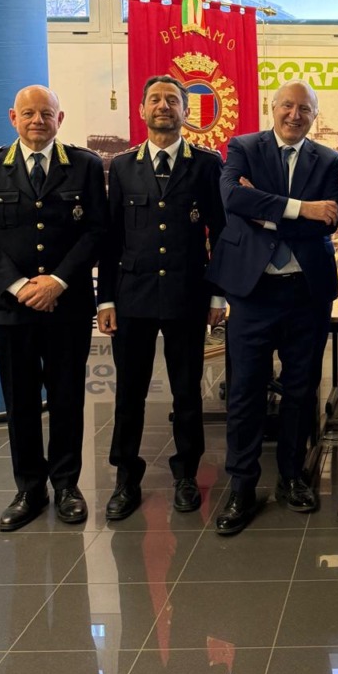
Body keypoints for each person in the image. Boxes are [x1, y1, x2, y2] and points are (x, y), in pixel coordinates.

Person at [207, 80, 338, 535]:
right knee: (245, 391)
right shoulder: (243, 147)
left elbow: (329, 220)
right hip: (253, 293)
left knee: (300, 391)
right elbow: (233, 199)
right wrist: (302, 208)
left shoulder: (330, 160)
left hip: (307, 292)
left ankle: (292, 476)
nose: (294, 115)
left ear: (314, 115)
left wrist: (263, 211)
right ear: (272, 107)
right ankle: (242, 486)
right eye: (287, 105)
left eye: (304, 109)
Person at [0, 85, 107, 530]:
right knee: (21, 400)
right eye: (28, 113)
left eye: (46, 114)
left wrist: (57, 281)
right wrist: (19, 286)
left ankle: (67, 485)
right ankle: (29, 488)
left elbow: (96, 231)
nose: (37, 121)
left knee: (67, 396)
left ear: (59, 119)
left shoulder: (85, 165)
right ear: (13, 117)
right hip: (9, 308)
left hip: (66, 305)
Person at [96, 76, 226, 520]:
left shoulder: (206, 164)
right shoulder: (123, 166)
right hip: (132, 296)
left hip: (187, 294)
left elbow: (219, 233)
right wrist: (105, 300)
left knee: (187, 391)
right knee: (129, 392)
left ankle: (186, 473)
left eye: (173, 100)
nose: (164, 106)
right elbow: (111, 239)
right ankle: (125, 477)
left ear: (186, 111)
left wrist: (217, 296)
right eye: (155, 99)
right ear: (142, 110)